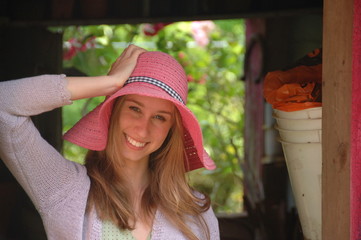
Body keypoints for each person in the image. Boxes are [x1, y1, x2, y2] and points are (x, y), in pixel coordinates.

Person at [0, 44, 220, 240]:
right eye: (134, 108)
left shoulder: (195, 211)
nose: (142, 129)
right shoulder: (64, 189)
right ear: (113, 110)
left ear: (171, 130)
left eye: (159, 117)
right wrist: (109, 83)